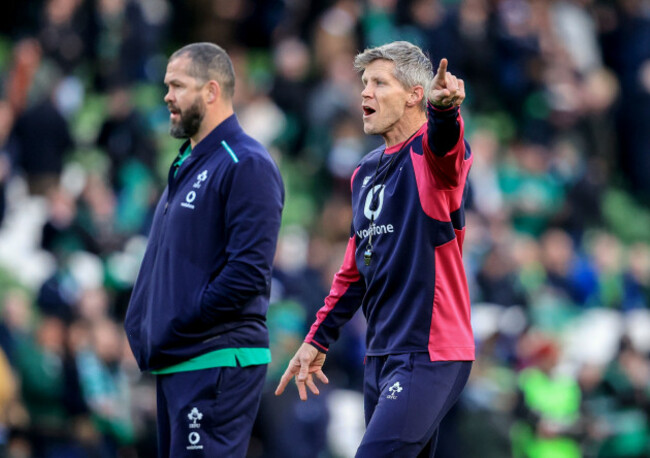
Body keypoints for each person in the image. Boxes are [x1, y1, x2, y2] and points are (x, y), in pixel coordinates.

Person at [275, 41, 475, 457]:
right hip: (380, 354)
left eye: (379, 83)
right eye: (364, 83)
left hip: (429, 350)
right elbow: (354, 271)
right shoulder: (364, 171)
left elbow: (446, 145)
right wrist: (317, 340)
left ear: (414, 96)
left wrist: (445, 111)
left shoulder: (433, 155)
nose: (364, 92)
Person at [124, 42, 284, 457]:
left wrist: (184, 316)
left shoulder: (245, 162)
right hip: (178, 358)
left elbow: (249, 271)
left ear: (211, 91)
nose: (167, 96)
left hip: (214, 359)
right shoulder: (187, 163)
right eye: (166, 85)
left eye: (177, 85)